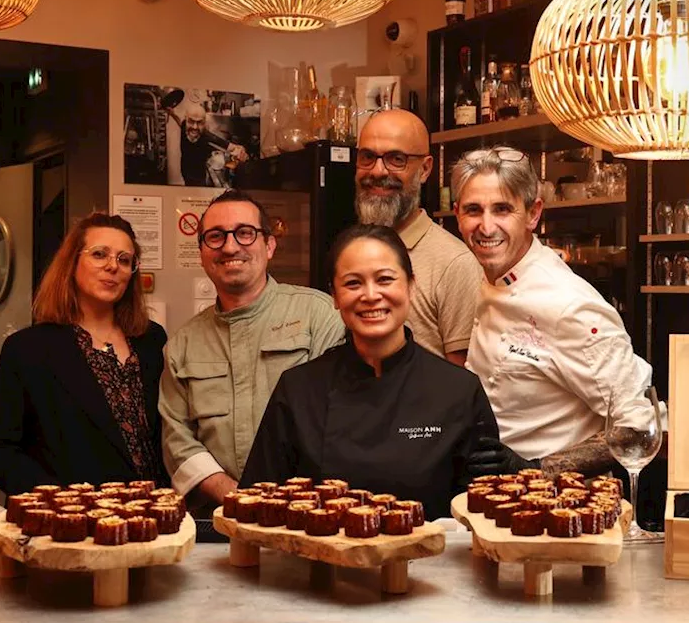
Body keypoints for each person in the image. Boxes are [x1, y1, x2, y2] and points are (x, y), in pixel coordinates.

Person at [240, 225, 501, 517]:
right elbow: (256, 505)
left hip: (427, 561)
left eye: (385, 279)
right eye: (353, 283)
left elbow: (482, 514)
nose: (370, 295)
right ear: (335, 296)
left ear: (410, 286)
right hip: (320, 560)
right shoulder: (299, 389)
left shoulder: (458, 391)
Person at [452, 147, 656, 477]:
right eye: (474, 210)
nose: (486, 227)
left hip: (560, 507)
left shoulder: (569, 304)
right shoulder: (491, 277)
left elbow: (638, 427)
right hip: (500, 499)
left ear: (533, 214)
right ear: (457, 214)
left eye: (502, 209)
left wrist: (536, 469)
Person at [160, 190, 344, 511]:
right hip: (219, 518)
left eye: (245, 233)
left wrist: (290, 502)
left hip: (309, 515)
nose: (230, 246)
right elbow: (177, 439)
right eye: (216, 237)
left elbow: (342, 419)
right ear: (202, 251)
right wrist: (236, 498)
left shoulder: (319, 315)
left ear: (269, 245)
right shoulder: (182, 344)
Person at [0, 213, 168, 495]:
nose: (112, 266)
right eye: (100, 254)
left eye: (124, 259)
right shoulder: (29, 349)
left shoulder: (151, 339)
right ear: (72, 263)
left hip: (147, 515)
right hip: (69, 523)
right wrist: (60, 500)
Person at [354, 109, 483, 365]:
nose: (378, 171)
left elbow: (462, 386)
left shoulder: (454, 264)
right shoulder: (351, 251)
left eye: (396, 159)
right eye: (368, 157)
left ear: (425, 169)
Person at [168, 102, 249, 187]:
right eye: (191, 121)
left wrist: (242, 151)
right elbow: (180, 123)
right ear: (186, 119)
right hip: (185, 172)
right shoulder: (185, 126)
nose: (195, 127)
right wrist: (172, 114)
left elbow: (231, 147)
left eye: (199, 122)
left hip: (199, 178)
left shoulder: (206, 137)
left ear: (204, 123)